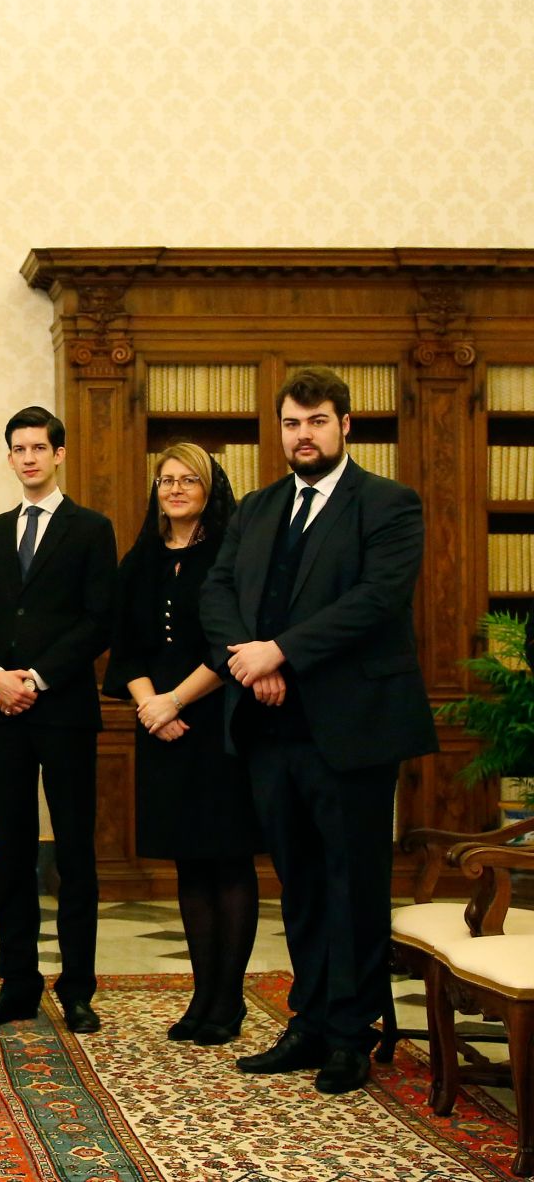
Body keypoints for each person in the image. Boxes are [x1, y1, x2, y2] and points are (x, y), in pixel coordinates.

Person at [202, 366, 437, 1095]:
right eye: (292, 424)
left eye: (317, 422)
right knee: (299, 882)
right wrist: (250, 663)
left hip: (353, 726)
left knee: (353, 881)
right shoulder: (259, 507)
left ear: (346, 427)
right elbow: (218, 590)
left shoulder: (388, 504)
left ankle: (350, 1032)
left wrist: (284, 651)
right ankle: (308, 1019)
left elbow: (376, 600)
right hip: (270, 724)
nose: (304, 436)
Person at [0, 406, 117, 1034]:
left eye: (38, 448)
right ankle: (17, 983)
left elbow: (97, 620)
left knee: (74, 852)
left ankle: (78, 989)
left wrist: (38, 678)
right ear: (9, 457)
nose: (28, 458)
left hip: (64, 711)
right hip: (2, 714)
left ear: (59, 454)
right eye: (18, 449)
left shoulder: (90, 529)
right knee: (13, 852)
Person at [103, 443, 260, 1046]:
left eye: (187, 479)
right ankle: (202, 995)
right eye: (166, 480)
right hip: (160, 729)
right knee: (189, 863)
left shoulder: (230, 554)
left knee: (227, 857)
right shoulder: (139, 559)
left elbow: (232, 645)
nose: (175, 489)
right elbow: (126, 648)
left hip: (217, 722)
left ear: (210, 487)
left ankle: (230, 999)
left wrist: (176, 700)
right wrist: (150, 704)